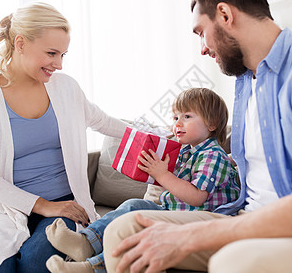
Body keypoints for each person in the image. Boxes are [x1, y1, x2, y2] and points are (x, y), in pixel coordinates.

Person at [102, 0, 292, 272]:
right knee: (125, 230)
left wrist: (195, 235)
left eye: (201, 32)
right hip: (246, 219)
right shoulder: (246, 84)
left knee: (233, 262)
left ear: (224, 14)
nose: (202, 48)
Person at [0, 2, 127, 273]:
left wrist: (167, 136)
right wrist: (41, 206)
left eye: (63, 55)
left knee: (36, 265)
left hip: (67, 206)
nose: (59, 64)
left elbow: (103, 122)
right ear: (21, 43)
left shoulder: (66, 88)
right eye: (51, 53)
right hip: (10, 211)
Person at [44, 88, 240, 273]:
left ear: (211, 124)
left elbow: (196, 197)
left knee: (136, 226)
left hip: (198, 219)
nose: (178, 123)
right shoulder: (185, 151)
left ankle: (90, 266)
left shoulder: (213, 155)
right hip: (175, 213)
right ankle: (86, 244)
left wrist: (163, 175)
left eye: (187, 117)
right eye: (175, 117)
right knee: (133, 206)